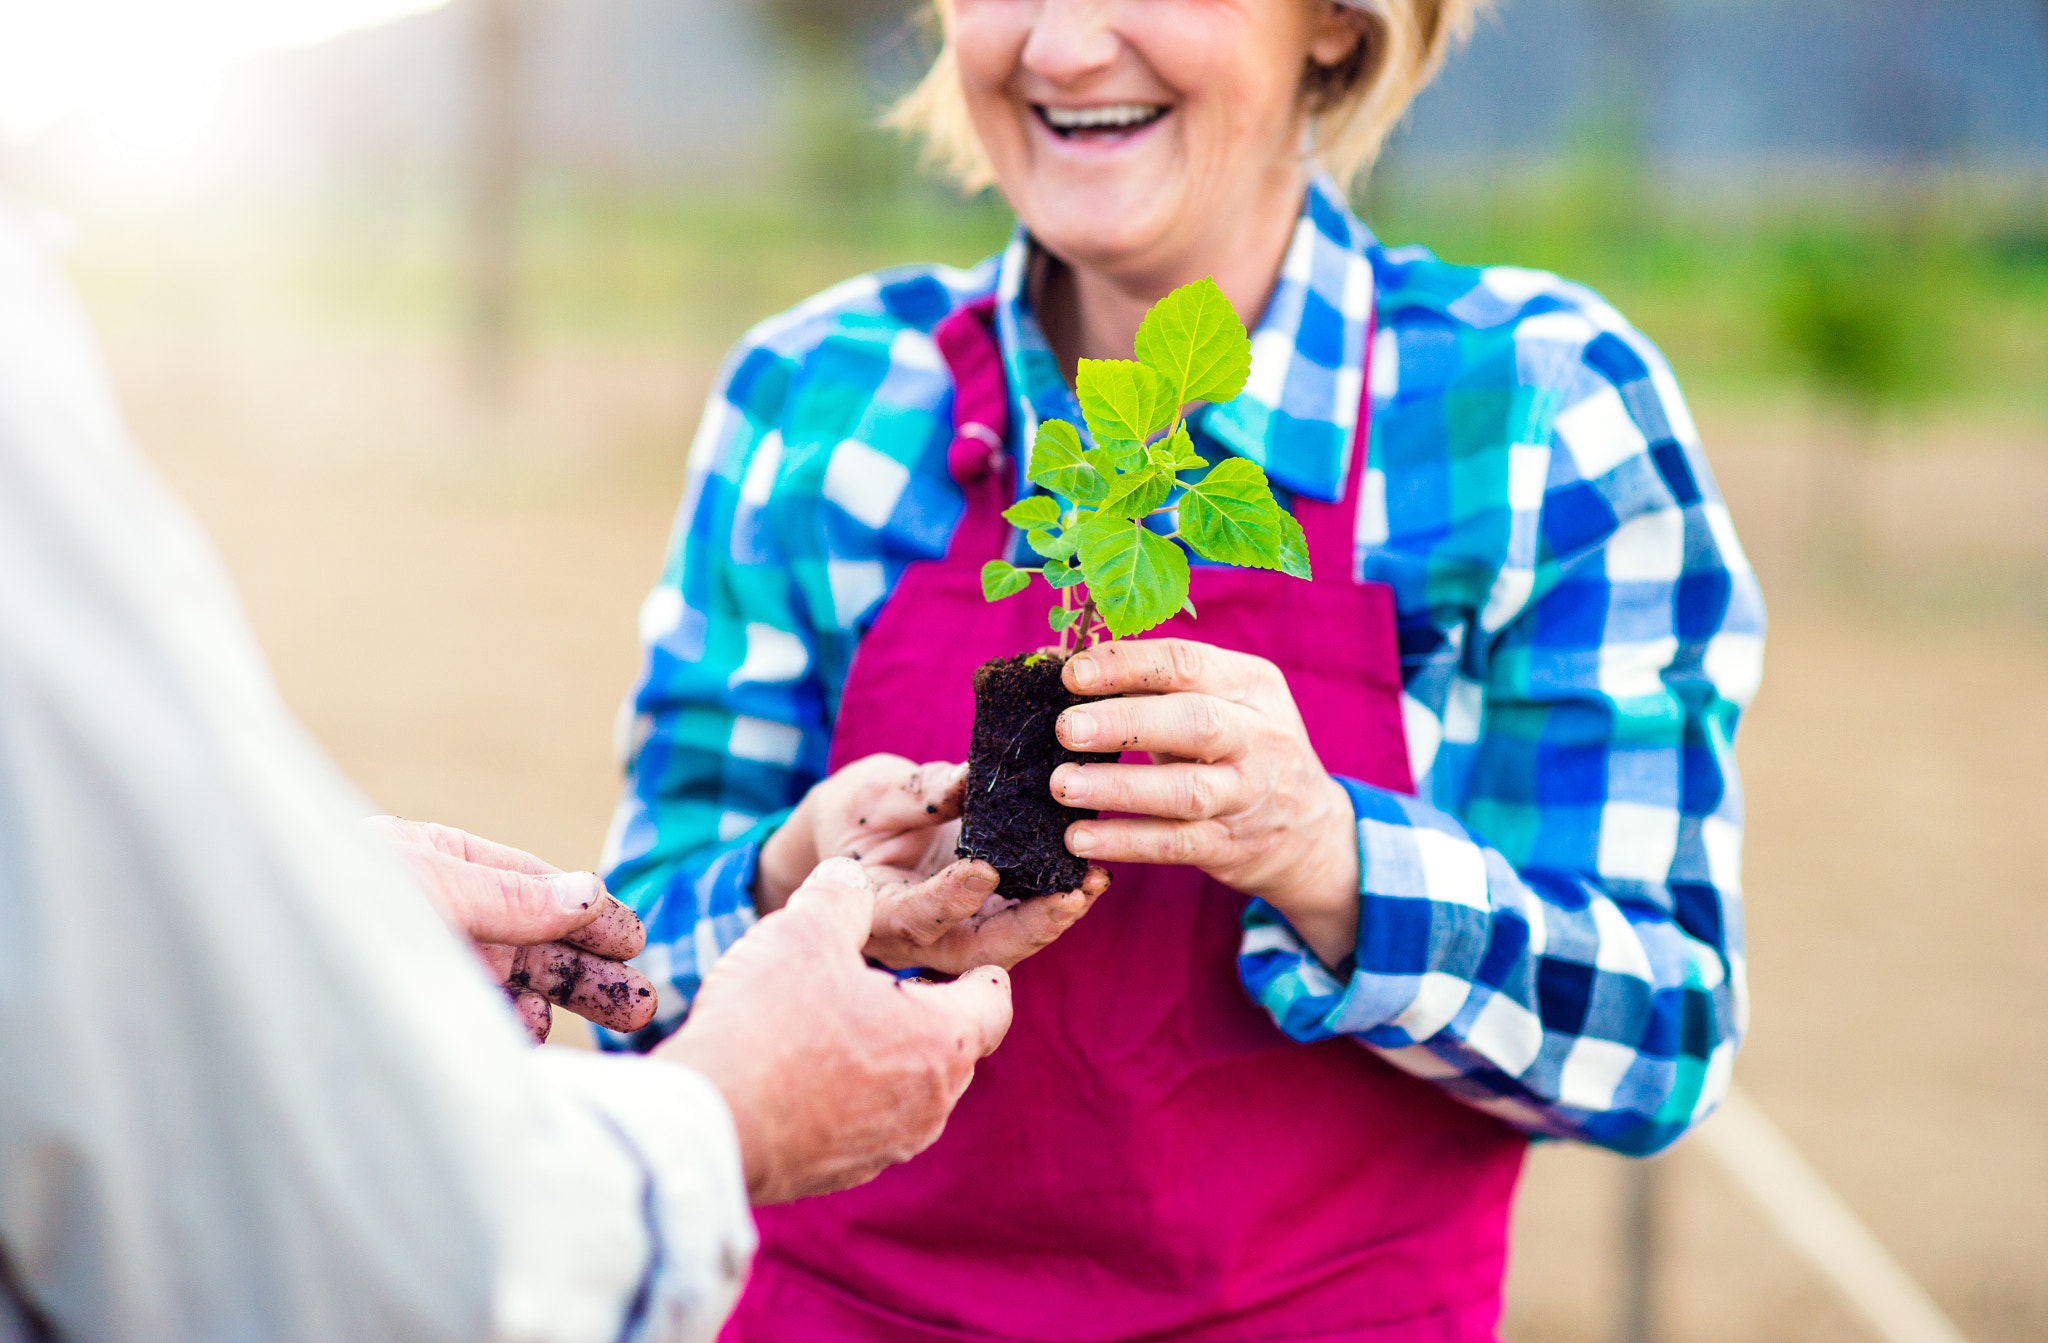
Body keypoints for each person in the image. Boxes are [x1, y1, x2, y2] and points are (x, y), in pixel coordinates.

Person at [602, 0, 1767, 1338]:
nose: (1065, 46)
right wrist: (796, 879)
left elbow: (1662, 1035)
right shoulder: (815, 394)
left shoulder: (1544, 415)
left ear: (1337, 25)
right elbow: (625, 983)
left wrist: (1330, 852)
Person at [0, 203, 1015, 1342]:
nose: (1068, 42)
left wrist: (307, 904)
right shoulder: (816, 386)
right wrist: (725, 1107)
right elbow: (338, 1249)